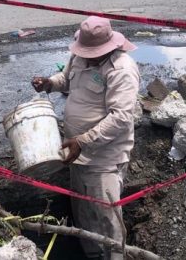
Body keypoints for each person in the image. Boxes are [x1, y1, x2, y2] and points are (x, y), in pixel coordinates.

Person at [31, 16, 141, 260]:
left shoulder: (121, 70)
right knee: (82, 210)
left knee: (107, 217)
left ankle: (115, 257)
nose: (87, 56)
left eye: (92, 52)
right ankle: (92, 254)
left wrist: (84, 140)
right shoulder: (80, 56)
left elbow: (121, 118)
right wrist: (49, 83)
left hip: (103, 159)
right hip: (76, 153)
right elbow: (66, 79)